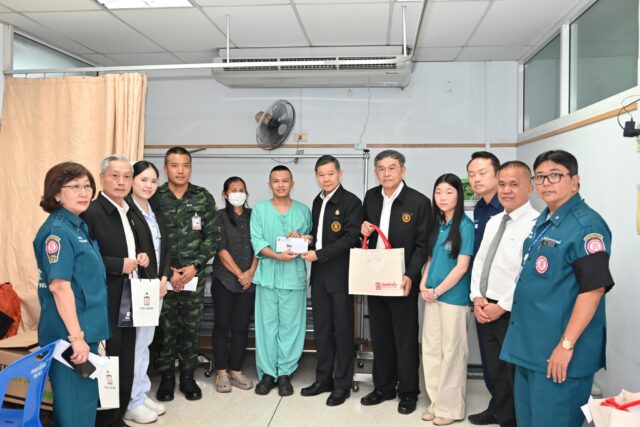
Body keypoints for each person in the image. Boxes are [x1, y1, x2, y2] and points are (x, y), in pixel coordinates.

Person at [501, 150, 614, 427]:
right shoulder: (545, 221)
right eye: (540, 177)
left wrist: (566, 345)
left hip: (559, 354)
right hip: (530, 349)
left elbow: (593, 290)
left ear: (575, 181)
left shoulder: (586, 226)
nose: (546, 183)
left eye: (555, 175)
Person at [34, 162, 110, 427]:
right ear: (56, 193)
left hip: (84, 330)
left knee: (80, 403)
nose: (84, 192)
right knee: (76, 408)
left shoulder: (77, 227)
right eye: (75, 186)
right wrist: (77, 338)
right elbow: (59, 287)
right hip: (70, 336)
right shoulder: (58, 232)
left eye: (87, 186)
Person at [360, 150, 431, 415]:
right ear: (376, 172)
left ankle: (409, 392)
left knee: (405, 338)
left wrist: (410, 275)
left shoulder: (419, 202)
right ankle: (383, 387)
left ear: (403, 170)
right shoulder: (371, 197)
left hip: (403, 281)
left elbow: (423, 246)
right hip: (375, 278)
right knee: (380, 336)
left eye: (392, 168)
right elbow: (364, 235)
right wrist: (362, 230)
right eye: (381, 168)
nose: (386, 173)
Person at [469, 161, 539, 427]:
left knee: (512, 373)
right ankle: (500, 413)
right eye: (502, 184)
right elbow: (480, 260)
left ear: (530, 187)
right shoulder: (494, 220)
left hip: (510, 310)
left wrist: (502, 306)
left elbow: (526, 272)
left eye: (514, 184)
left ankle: (514, 420)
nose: (506, 190)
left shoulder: (536, 224)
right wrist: (477, 296)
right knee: (494, 371)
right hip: (484, 305)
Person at [82, 155, 150, 427]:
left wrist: (141, 256)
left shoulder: (128, 210)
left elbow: (131, 247)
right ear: (102, 178)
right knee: (108, 358)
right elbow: (84, 260)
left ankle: (118, 413)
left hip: (129, 295)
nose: (121, 182)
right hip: (105, 297)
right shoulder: (91, 212)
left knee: (126, 356)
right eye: (115, 176)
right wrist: (117, 264)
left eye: (126, 177)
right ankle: (105, 418)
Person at [153, 146, 221, 402]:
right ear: (165, 169)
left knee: (190, 327)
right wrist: (168, 271)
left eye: (185, 165)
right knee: (165, 327)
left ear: (191, 168)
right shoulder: (155, 198)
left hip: (194, 275)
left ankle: (188, 376)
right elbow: (148, 237)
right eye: (174, 165)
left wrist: (195, 266)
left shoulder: (202, 197)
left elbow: (213, 236)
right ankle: (167, 378)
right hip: (163, 277)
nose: (180, 171)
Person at [300, 155, 363, 406]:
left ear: (340, 174)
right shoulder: (318, 200)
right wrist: (307, 239)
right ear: (316, 177)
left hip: (341, 275)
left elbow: (350, 239)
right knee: (322, 330)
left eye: (330, 174)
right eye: (321, 175)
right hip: (319, 276)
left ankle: (342, 385)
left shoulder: (351, 202)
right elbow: (320, 235)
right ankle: (323, 379)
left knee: (343, 331)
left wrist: (319, 254)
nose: (326, 179)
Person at [250, 165, 312, 397]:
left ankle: (285, 372)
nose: (281, 184)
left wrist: (304, 237)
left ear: (292, 183)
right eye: (276, 181)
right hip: (267, 278)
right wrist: (278, 256)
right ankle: (268, 373)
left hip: (293, 279)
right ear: (269, 184)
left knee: (291, 327)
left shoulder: (303, 210)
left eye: (285, 180)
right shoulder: (259, 210)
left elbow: (311, 237)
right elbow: (257, 241)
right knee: (266, 327)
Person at [419, 173, 474, 426]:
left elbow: (462, 267)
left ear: (459, 195)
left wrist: (437, 290)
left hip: (453, 299)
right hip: (431, 296)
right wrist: (423, 284)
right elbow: (430, 259)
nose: (442, 197)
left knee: (452, 353)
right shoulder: (437, 223)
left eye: (449, 192)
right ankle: (436, 402)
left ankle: (450, 409)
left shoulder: (464, 225)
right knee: (431, 350)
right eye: (438, 192)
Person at [123, 161, 170, 424]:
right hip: (137, 287)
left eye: (153, 181)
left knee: (145, 343)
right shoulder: (126, 211)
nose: (149, 185)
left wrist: (163, 277)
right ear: (132, 181)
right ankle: (131, 402)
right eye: (143, 180)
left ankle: (140, 393)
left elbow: (166, 247)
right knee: (136, 345)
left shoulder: (155, 210)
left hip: (156, 286)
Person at [466, 150, 503, 426]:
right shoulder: (480, 207)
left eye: (482, 173)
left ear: (497, 174)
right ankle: (497, 406)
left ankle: (507, 410)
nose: (476, 179)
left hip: (502, 298)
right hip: (481, 293)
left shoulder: (506, 207)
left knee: (502, 360)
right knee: (490, 358)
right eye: (471, 174)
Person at [211, 176, 257, 393]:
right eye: (233, 190)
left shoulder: (254, 215)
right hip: (225, 280)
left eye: (242, 189)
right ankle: (221, 372)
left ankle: (235, 371)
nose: (238, 193)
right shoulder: (218, 217)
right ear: (225, 194)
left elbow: (260, 245)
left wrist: (251, 272)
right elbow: (220, 249)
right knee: (222, 327)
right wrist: (240, 273)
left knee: (241, 327)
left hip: (249, 282)